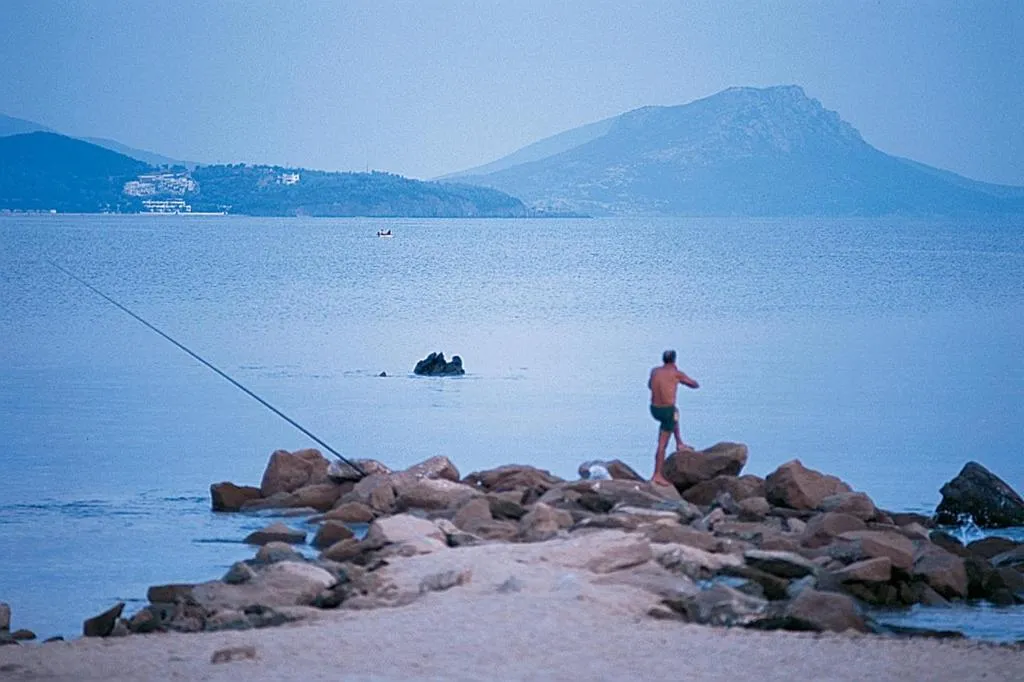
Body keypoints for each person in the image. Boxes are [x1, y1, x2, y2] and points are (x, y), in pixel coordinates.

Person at [648, 349, 699, 486]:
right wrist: (683, 380)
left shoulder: (655, 371)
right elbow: (694, 385)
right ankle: (657, 474)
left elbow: (649, 386)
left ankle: (679, 443)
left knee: (675, 412)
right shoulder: (676, 374)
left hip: (654, 409)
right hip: (666, 411)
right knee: (662, 444)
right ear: (674, 360)